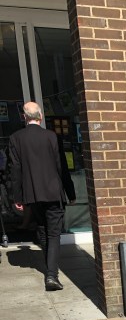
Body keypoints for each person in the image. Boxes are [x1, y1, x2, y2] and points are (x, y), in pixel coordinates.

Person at [9, 101, 76, 290]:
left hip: (32, 195)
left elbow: (15, 170)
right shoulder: (51, 136)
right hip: (53, 192)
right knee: (53, 234)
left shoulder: (15, 138)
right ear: (41, 116)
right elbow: (62, 167)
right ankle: (52, 275)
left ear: (24, 117)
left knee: (42, 229)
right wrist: (70, 192)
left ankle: (50, 270)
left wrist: (17, 197)